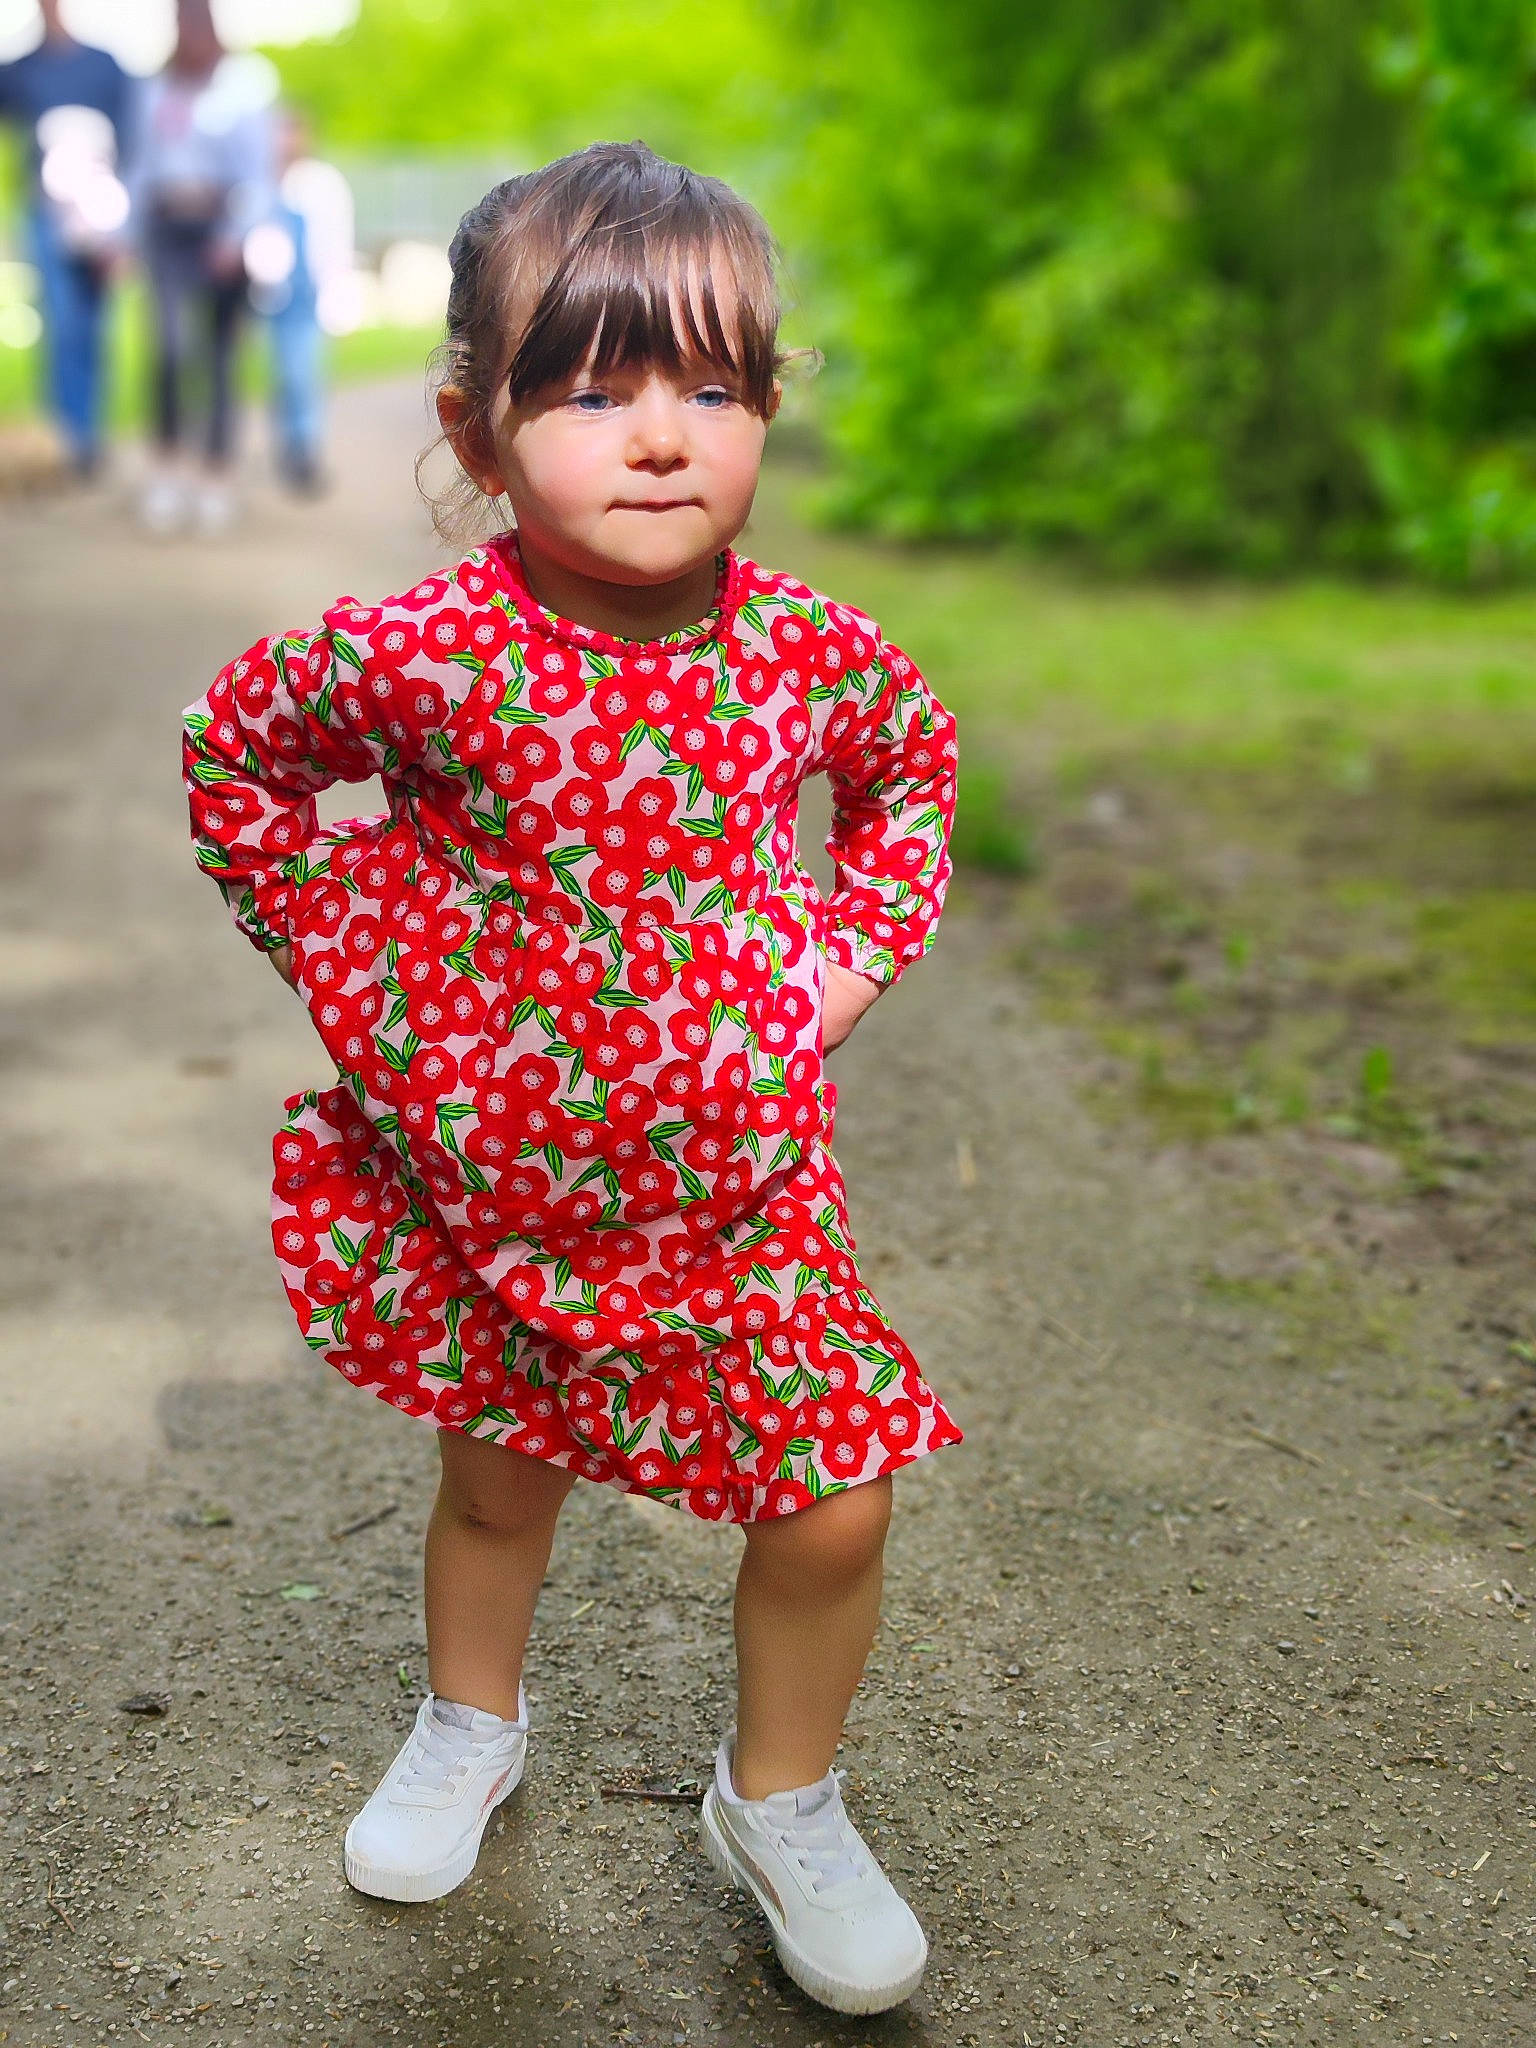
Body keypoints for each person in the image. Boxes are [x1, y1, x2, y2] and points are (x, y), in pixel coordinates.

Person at [180, 141, 962, 2015]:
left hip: (741, 1191)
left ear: (766, 407)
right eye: (595, 393)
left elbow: (910, 774)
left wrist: (845, 959)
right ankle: (471, 1720)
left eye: (714, 388)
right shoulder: (426, 653)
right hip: (501, 1195)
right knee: (499, 1479)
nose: (664, 438)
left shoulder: (802, 651)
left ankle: (781, 1798)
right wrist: (369, 969)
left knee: (837, 1493)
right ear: (477, 426)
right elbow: (238, 761)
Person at [121, 0, 275, 536]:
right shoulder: (154, 92)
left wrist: (235, 236)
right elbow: (138, 166)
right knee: (168, 350)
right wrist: (125, 237)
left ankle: (216, 472)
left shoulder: (240, 92)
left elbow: (256, 174)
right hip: (166, 230)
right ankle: (166, 467)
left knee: (219, 357)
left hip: (219, 228)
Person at [0, 0, 132, 479]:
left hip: (100, 214)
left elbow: (131, 139)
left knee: (94, 327)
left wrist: (122, 226)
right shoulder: (22, 69)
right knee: (61, 325)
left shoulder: (103, 65)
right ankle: (65, 440)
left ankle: (88, 436)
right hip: (45, 215)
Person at [253, 105, 353, 497]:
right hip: (272, 296)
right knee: (283, 374)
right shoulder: (262, 182)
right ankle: (289, 444)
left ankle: (304, 449)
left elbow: (336, 241)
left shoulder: (321, 182)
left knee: (303, 373)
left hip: (309, 295)